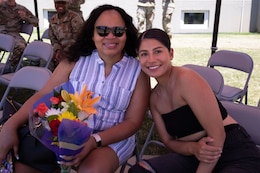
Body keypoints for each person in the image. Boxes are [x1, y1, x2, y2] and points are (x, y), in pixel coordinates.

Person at [0, 4, 150, 173]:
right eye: (102, 30)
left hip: (111, 139)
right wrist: (10, 126)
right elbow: (43, 95)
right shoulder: (74, 61)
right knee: (19, 168)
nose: (110, 36)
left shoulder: (138, 72)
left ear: (126, 34)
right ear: (92, 34)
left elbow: (133, 122)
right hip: (66, 132)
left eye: (117, 31)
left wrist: (94, 141)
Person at [129, 28, 260, 173]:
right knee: (139, 171)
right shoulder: (154, 99)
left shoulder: (186, 79)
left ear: (171, 53)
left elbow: (218, 135)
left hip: (231, 149)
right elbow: (168, 141)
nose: (151, 59)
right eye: (144, 54)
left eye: (158, 51)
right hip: (192, 154)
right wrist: (194, 148)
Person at [0, 0, 38, 71]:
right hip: (1, 33)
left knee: (21, 46)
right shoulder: (1, 5)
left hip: (13, 34)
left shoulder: (21, 8)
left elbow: (36, 22)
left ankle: (11, 66)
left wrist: (25, 17)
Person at [49, 0, 84, 70]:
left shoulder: (74, 17)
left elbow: (79, 39)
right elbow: (53, 39)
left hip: (75, 51)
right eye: (58, 3)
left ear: (67, 4)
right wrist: (58, 50)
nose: (60, 5)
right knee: (49, 60)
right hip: (61, 50)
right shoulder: (53, 20)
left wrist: (65, 53)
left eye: (63, 3)